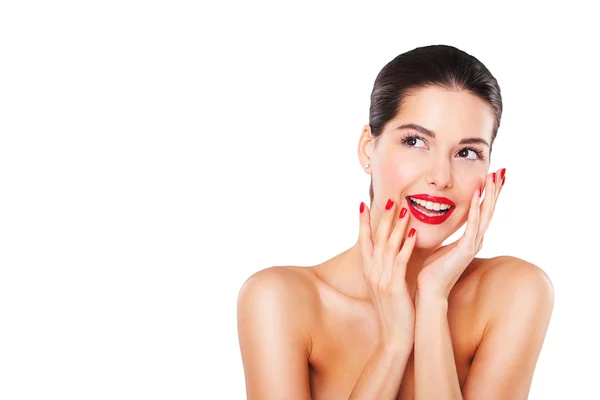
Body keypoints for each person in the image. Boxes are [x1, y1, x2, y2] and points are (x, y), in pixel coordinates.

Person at [237, 44, 554, 399]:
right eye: (415, 141)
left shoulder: (514, 292)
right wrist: (394, 344)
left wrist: (433, 299)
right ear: (367, 149)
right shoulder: (280, 300)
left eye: (467, 152)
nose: (440, 176)